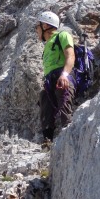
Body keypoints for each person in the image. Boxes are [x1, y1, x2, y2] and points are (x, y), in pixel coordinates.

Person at [36, 11, 76, 141]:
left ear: (45, 26)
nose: (36, 29)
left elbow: (70, 55)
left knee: (63, 98)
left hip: (62, 74)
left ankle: (68, 135)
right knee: (45, 101)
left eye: (38, 25)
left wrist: (64, 75)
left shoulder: (63, 35)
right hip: (50, 79)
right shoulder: (48, 45)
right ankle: (47, 140)